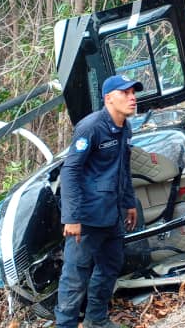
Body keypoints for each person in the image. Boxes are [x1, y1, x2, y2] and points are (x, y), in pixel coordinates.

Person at [55, 74, 141, 328]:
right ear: (108, 99)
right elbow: (69, 171)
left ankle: (96, 320)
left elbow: (122, 167)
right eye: (125, 93)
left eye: (133, 93)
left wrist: (129, 202)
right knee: (75, 276)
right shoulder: (90, 128)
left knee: (110, 267)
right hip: (87, 217)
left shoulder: (125, 126)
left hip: (112, 214)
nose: (132, 98)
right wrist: (71, 217)